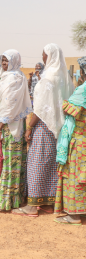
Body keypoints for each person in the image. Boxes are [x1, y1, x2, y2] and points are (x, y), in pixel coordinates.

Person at [13, 43, 74, 217]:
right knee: (51, 164)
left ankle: (32, 206)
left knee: (36, 164)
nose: (42, 57)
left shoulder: (47, 79)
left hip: (43, 127)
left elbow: (40, 110)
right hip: (59, 129)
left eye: (44, 54)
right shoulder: (63, 78)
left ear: (50, 56)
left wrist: (30, 127)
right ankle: (48, 202)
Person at [0, 50, 32, 210]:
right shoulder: (14, 77)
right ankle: (13, 199)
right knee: (9, 162)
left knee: (4, 162)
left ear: (14, 61)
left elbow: (9, 107)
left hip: (7, 128)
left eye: (7, 60)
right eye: (3, 60)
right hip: (14, 125)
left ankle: (2, 201)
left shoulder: (14, 78)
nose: (4, 63)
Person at [54, 56, 86, 225]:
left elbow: (69, 110)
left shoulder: (83, 89)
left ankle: (74, 215)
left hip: (79, 140)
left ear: (82, 71)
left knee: (74, 176)